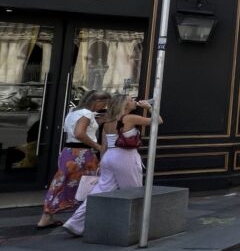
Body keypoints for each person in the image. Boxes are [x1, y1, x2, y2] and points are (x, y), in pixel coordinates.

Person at [62, 95, 162, 238]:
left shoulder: (108, 122)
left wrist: (102, 163)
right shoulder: (129, 118)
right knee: (134, 191)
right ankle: (140, 226)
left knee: (100, 191)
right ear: (125, 105)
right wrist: (149, 107)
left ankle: (75, 222)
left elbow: (104, 146)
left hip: (109, 157)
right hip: (125, 157)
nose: (134, 101)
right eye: (131, 99)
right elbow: (158, 121)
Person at [38, 90, 110, 229]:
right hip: (82, 154)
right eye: (104, 104)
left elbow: (75, 130)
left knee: (60, 182)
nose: (104, 107)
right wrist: (98, 146)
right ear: (97, 102)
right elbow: (79, 133)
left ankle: (47, 215)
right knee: (91, 183)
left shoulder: (73, 111)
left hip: (68, 151)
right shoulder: (87, 114)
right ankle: (83, 217)